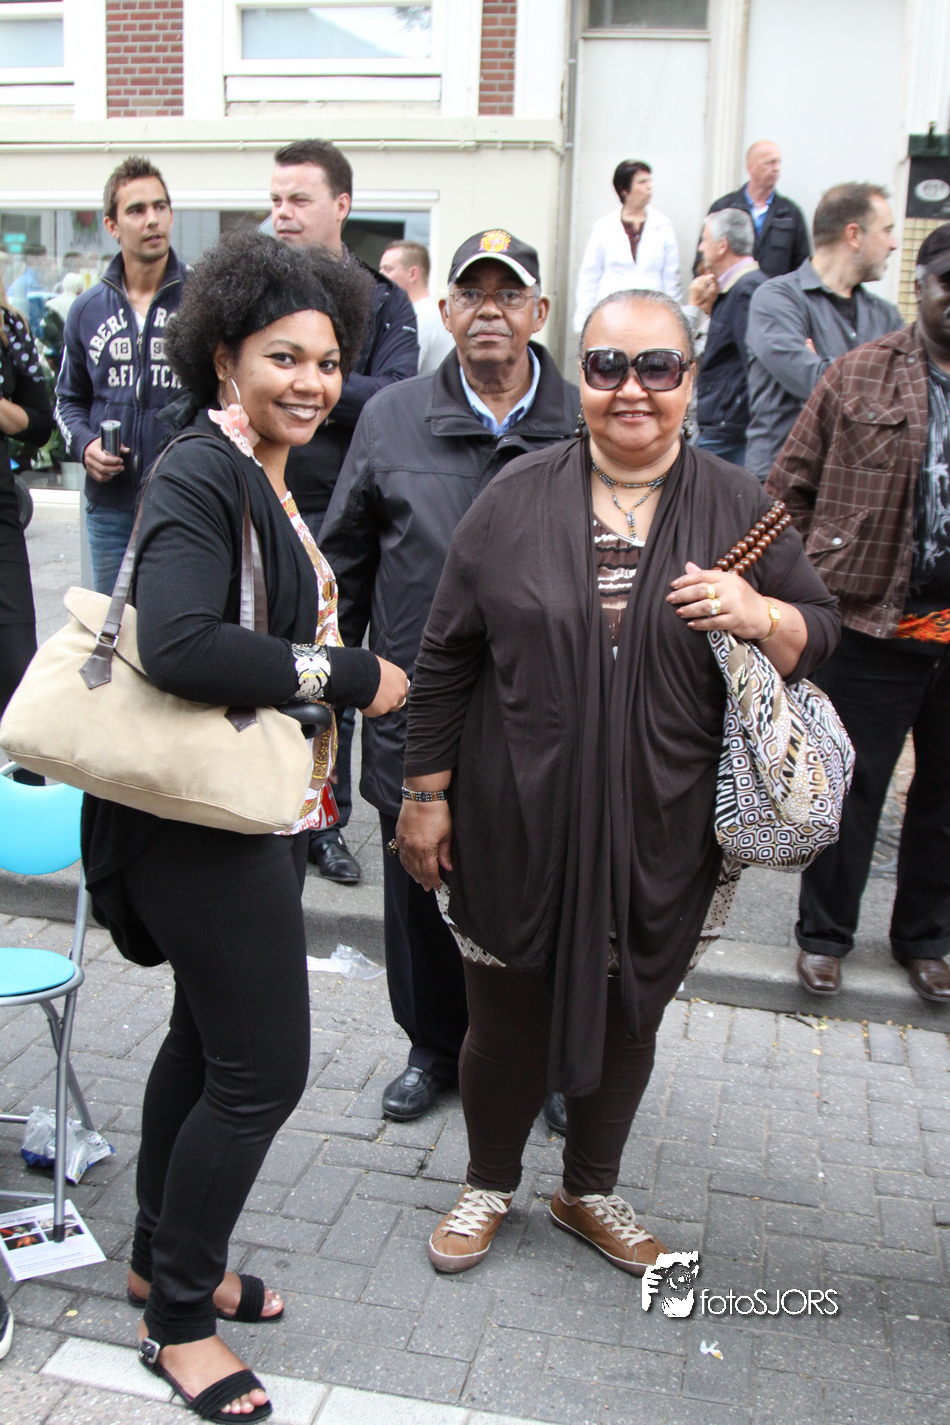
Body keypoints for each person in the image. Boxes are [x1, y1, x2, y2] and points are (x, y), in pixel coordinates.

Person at [395, 288, 839, 1279]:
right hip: (514, 815)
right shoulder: (515, 495)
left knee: (632, 1006)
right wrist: (424, 795)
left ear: (690, 378)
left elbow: (821, 633)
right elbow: (445, 654)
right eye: (606, 366)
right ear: (580, 375)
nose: (630, 389)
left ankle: (587, 1188)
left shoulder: (740, 504)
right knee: (504, 1014)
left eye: (656, 367)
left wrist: (758, 611)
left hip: (665, 824)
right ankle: (487, 1183)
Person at [80, 229, 409, 1422]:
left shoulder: (258, 469)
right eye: (283, 358)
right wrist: (348, 675)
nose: (310, 382)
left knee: (206, 1043)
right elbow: (177, 643)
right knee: (263, 1071)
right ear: (224, 357)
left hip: (232, 817)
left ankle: (162, 1258)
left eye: (325, 360)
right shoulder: (199, 471)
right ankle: (178, 1323)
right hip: (196, 826)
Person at [319, 229, 580, 1125]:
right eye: (472, 294)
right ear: (445, 310)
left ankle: (546, 1060)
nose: (490, 311)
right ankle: (433, 1048)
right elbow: (344, 567)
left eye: (509, 294)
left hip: (545, 719)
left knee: (545, 892)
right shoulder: (392, 416)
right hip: (415, 706)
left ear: (540, 312)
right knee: (418, 887)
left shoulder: (584, 420)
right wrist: (338, 687)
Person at [767, 223, 950, 1004]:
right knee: (851, 785)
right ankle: (824, 935)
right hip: (874, 621)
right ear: (922, 287)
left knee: (945, 797)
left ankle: (926, 939)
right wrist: (806, 586)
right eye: (948, 281)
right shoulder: (859, 373)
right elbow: (788, 486)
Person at [270, 138, 419, 884]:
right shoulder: (258, 291)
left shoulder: (384, 301)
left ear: (341, 205)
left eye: (298, 199)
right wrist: (336, 387)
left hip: (347, 514)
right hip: (266, 501)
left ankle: (326, 823)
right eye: (275, 200)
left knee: (337, 667)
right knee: (266, 662)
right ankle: (269, 805)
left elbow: (394, 397)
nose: (282, 213)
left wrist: (297, 384)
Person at [55, 156, 187, 594]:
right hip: (110, 507)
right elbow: (67, 400)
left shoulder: (203, 301)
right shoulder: (87, 309)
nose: (152, 219)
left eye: (160, 207)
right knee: (111, 626)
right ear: (112, 225)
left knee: (176, 624)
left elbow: (225, 399)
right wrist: (85, 445)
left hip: (182, 503)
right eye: (137, 210)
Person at [745, 182, 903, 481]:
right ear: (854, 235)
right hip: (786, 483)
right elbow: (813, 382)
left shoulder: (886, 315)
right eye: (886, 230)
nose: (894, 244)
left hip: (857, 485)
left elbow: (907, 395)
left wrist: (826, 366)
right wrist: (875, 382)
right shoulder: (777, 299)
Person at [1, 275, 52, 736]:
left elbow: (40, 424)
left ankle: (26, 776)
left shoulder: (10, 327)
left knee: (19, 671)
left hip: (1, 509)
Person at [692, 208, 767, 466]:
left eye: (705, 240)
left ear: (722, 245)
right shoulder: (740, 289)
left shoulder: (746, 291)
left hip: (729, 431)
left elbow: (756, 365)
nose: (701, 248)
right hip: (725, 425)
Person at [573, 160, 682, 333]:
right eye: (642, 182)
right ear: (624, 188)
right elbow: (589, 277)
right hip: (612, 313)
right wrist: (583, 322)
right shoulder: (604, 226)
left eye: (650, 181)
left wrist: (675, 322)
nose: (649, 186)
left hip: (651, 312)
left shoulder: (663, 225)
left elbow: (672, 278)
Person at [695, 141, 810, 280]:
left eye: (779, 162)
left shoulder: (790, 213)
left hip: (775, 293)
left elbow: (802, 267)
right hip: (732, 291)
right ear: (751, 167)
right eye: (770, 162)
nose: (777, 168)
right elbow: (702, 261)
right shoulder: (724, 208)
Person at [379, 240, 455, 374]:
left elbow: (400, 376)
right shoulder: (433, 312)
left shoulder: (417, 318)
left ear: (413, 274)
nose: (380, 275)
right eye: (381, 269)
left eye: (387, 269)